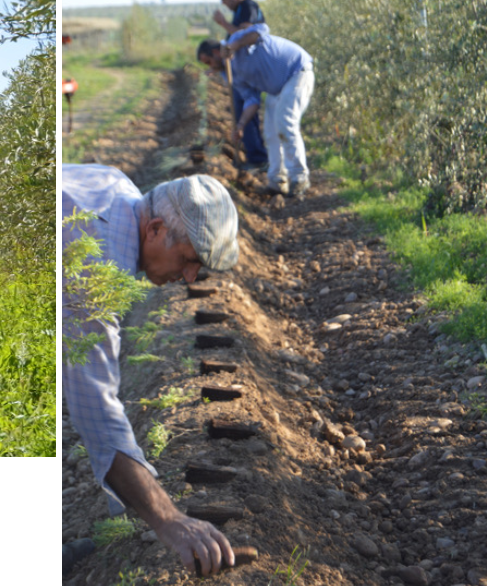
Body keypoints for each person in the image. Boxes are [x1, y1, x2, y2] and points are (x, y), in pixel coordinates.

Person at [61, 164, 241, 577]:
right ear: (156, 229)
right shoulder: (97, 264)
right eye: (189, 260)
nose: (190, 276)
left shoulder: (118, 187)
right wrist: (169, 519)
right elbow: (94, 408)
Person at [198, 30, 314, 197]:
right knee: (271, 133)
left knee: (285, 123)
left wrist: (233, 46)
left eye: (209, 61)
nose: (210, 67)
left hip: (297, 72)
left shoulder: (235, 41)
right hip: (276, 89)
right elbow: (251, 99)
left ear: (216, 52)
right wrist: (240, 125)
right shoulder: (228, 73)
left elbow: (260, 32)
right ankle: (277, 181)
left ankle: (299, 178)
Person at [212, 0, 269, 171]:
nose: (223, 2)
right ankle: (254, 155)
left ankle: (257, 159)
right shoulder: (239, 9)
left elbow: (245, 34)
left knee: (246, 112)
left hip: (247, 68)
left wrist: (223, 23)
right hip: (241, 67)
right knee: (241, 112)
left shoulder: (248, 7)